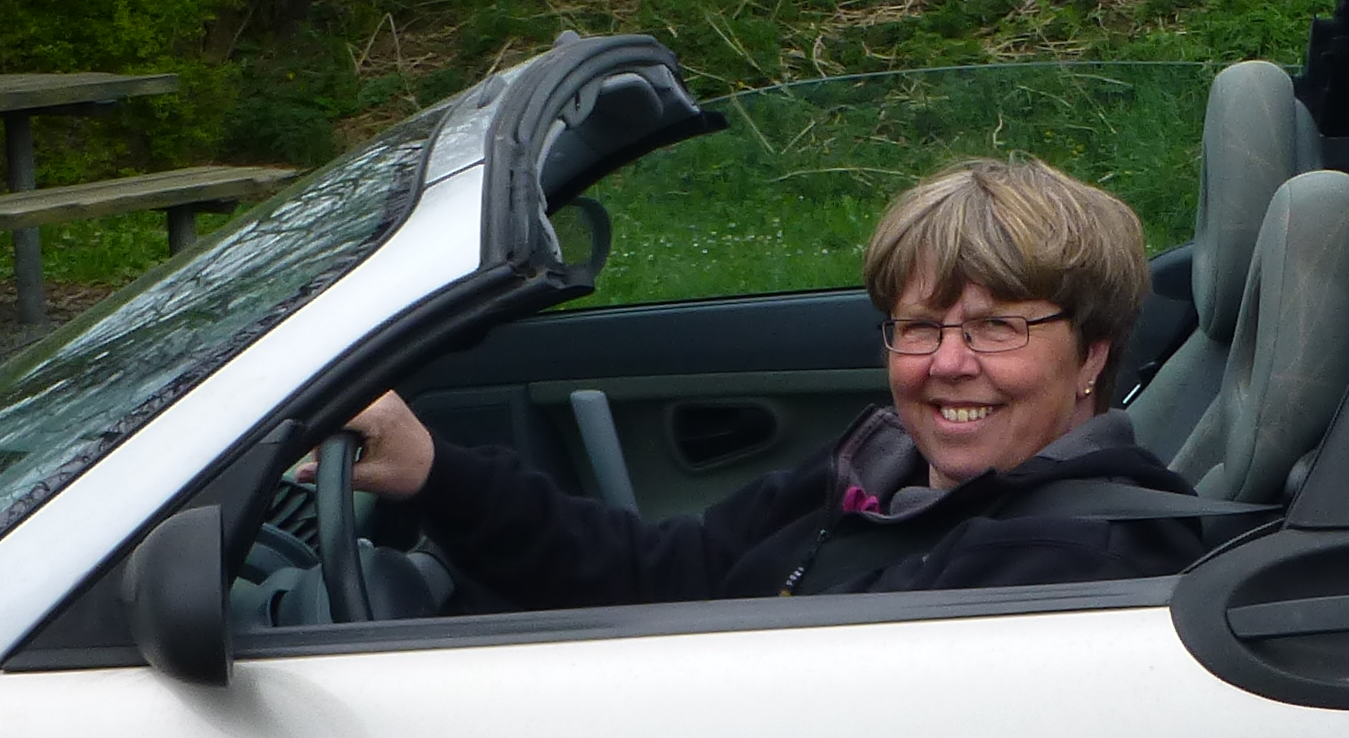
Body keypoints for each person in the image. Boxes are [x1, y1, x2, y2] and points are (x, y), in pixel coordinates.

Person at [342, 155, 1220, 604]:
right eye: (920, 326)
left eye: (998, 327)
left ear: (1092, 354)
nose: (949, 363)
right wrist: (430, 472)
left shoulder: (1071, 561)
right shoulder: (882, 469)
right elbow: (664, 572)